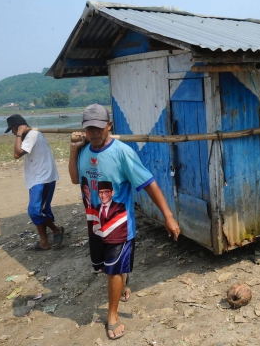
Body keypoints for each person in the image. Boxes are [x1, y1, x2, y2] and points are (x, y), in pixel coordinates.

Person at [69, 104, 180, 340]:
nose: (95, 133)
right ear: (84, 130)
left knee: (113, 271)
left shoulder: (123, 153)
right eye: (89, 129)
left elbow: (149, 183)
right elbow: (73, 178)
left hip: (119, 224)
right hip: (95, 222)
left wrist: (168, 217)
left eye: (99, 128)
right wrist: (73, 150)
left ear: (109, 126)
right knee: (102, 267)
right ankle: (124, 278)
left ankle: (112, 314)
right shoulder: (84, 151)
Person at [5, 114, 64, 251]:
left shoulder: (32, 135)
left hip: (43, 179)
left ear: (16, 127)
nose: (13, 134)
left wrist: (19, 135)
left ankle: (56, 230)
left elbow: (16, 154)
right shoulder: (34, 135)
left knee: (35, 211)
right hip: (37, 179)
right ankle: (44, 241)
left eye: (13, 130)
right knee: (41, 210)